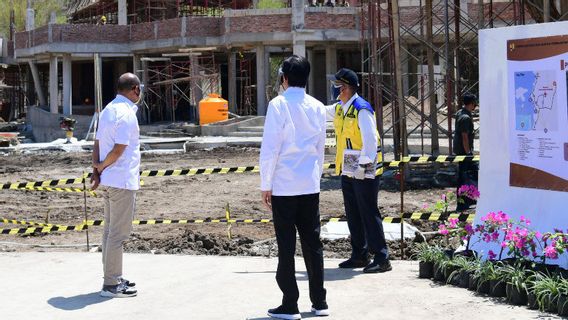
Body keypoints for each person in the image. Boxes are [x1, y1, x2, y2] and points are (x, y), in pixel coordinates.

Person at [260, 55, 329, 319]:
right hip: (309, 184)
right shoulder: (318, 107)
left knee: (286, 245)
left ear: (285, 78)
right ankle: (319, 302)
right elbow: (320, 148)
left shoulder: (278, 105)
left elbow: (270, 148)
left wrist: (265, 184)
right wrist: (316, 176)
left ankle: (290, 303)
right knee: (313, 243)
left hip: (285, 185)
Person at [325, 68, 391, 273]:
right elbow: (319, 111)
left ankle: (382, 257)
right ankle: (359, 254)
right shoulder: (340, 108)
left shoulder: (361, 109)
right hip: (348, 166)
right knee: (353, 212)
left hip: (364, 167)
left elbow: (371, 140)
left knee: (369, 212)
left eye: (337, 86)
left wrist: (363, 165)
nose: (334, 89)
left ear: (344, 88)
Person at [91, 73, 142, 298]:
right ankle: (111, 285)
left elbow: (97, 142)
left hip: (110, 181)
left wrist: (96, 169)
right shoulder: (126, 114)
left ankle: (112, 277)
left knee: (109, 232)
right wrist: (101, 166)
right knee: (118, 235)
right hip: (121, 180)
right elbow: (119, 149)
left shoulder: (108, 110)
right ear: (135, 89)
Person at [453, 92, 478, 211]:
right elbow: (464, 137)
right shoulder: (465, 117)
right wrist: (468, 153)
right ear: (472, 103)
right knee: (467, 176)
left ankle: (467, 201)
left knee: (465, 176)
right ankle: (464, 203)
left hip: (460, 151)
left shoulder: (460, 113)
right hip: (464, 152)